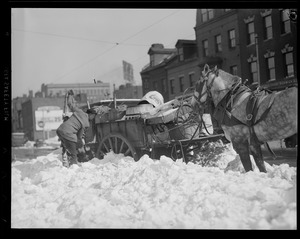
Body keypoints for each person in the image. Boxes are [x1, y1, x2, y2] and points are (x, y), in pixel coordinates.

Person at [56, 90, 90, 167]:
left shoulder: (79, 111)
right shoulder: (86, 123)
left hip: (60, 130)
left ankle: (64, 164)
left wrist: (70, 95)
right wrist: (80, 146)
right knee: (73, 152)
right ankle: (73, 168)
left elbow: (70, 104)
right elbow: (79, 137)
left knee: (66, 147)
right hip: (68, 133)